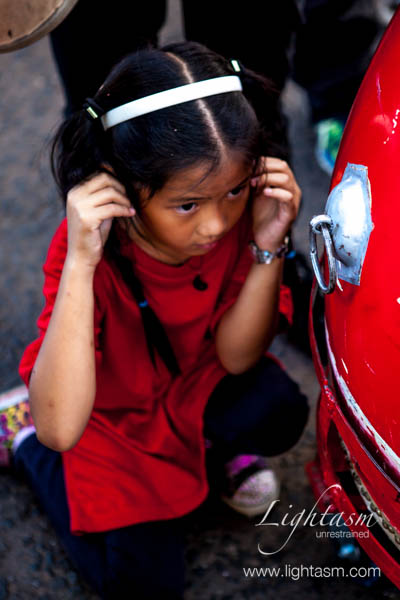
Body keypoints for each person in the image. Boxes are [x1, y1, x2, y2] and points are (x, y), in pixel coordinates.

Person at [3, 42, 309, 598]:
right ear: (120, 184)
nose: (217, 224)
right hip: (113, 424)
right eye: (188, 204)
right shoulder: (85, 252)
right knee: (144, 588)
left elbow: (238, 357)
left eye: (235, 190)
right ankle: (19, 439)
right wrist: (80, 261)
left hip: (194, 381)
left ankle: (209, 455)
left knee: (277, 411)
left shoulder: (243, 219)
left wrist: (269, 245)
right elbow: (63, 428)